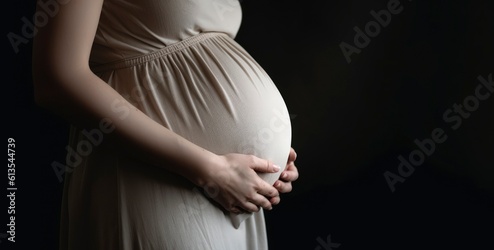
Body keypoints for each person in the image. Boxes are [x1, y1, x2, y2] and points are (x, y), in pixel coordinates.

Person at [32, 0, 299, 249]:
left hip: (234, 192)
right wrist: (208, 170)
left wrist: (269, 162)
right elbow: (58, 79)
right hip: (157, 176)